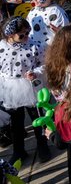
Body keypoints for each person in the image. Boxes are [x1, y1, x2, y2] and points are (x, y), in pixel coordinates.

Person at [0, 17, 51, 164]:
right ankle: (19, 150)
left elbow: (44, 63)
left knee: (37, 116)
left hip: (31, 86)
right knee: (16, 122)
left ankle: (42, 145)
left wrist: (36, 72)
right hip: (10, 87)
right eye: (21, 35)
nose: (26, 37)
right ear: (10, 35)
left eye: (27, 33)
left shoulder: (35, 45)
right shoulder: (1, 47)